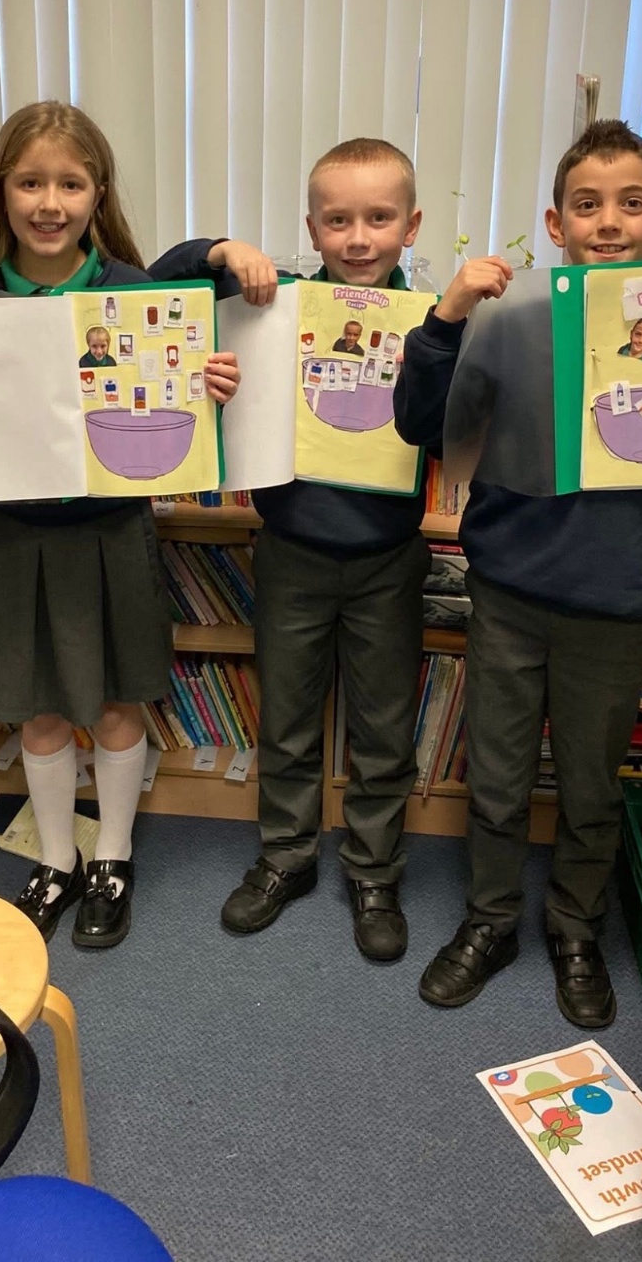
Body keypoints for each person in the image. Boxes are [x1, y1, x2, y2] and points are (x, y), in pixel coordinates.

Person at [396, 118, 642, 1027]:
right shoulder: (517, 319)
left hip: (615, 603)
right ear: (556, 223)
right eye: (586, 205)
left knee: (589, 783)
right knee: (498, 778)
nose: (608, 222)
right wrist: (447, 317)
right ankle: (491, 920)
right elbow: (424, 426)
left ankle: (576, 928)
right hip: (509, 592)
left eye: (631, 204)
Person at [0, 101, 241, 949]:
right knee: (41, 711)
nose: (49, 203)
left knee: (119, 701)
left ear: (98, 194)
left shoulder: (137, 295)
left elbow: (187, 392)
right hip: (15, 535)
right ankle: (56, 859)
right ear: (1, 191)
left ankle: (112, 855)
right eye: (29, 183)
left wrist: (208, 387)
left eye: (70, 184)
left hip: (111, 532)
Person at [176, 138, 510, 959]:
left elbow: (447, 432)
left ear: (411, 226)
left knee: (383, 728)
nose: (358, 238)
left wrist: (448, 324)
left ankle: (374, 871)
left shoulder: (435, 323)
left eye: (379, 219)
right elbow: (156, 283)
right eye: (338, 221)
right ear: (312, 229)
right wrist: (220, 250)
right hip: (291, 549)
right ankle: (286, 857)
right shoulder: (276, 304)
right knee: (288, 719)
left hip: (387, 558)